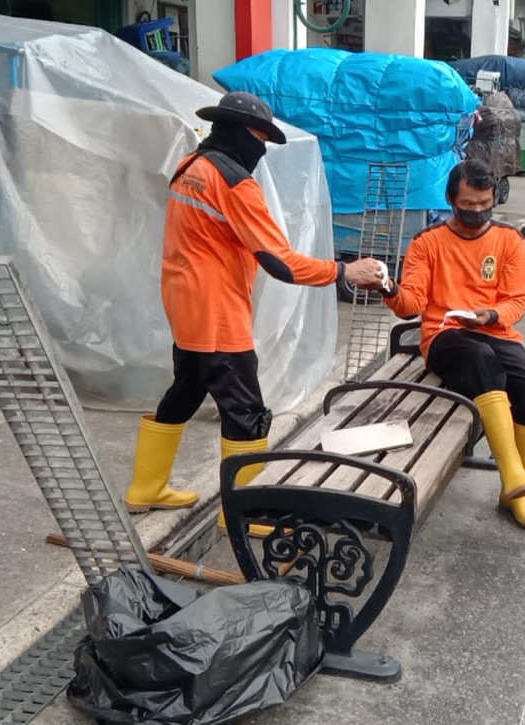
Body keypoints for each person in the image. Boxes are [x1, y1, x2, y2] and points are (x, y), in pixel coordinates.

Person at [124, 91, 383, 520]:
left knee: (183, 393)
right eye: (260, 139)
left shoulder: (191, 167)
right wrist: (343, 272)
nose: (262, 149)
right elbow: (280, 261)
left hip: (184, 305)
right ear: (242, 134)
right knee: (246, 414)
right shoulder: (234, 183)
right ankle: (245, 514)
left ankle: (145, 487)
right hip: (218, 315)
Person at [372, 159, 525, 530]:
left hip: (493, 329)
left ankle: (514, 493)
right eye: (468, 204)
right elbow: (412, 305)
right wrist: (390, 289)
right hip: (444, 335)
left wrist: (492, 314)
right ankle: (513, 474)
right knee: (480, 358)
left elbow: (518, 298)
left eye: (484, 203)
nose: (477, 211)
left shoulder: (508, 239)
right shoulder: (428, 242)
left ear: (494, 199)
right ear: (451, 200)